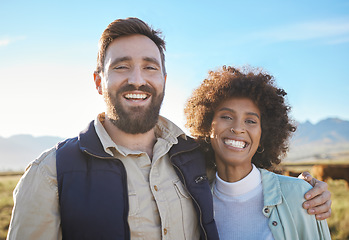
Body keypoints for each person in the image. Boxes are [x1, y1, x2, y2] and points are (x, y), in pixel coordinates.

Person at [7, 18, 330, 240]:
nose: (137, 79)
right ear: (98, 80)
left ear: (163, 80)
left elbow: (243, 173)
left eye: (150, 67)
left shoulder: (191, 157)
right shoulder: (50, 173)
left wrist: (310, 190)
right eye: (121, 67)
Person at [184, 65, 331, 239]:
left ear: (263, 134)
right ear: (208, 125)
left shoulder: (302, 196)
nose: (238, 128)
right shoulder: (191, 203)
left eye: (250, 121)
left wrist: (300, 188)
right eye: (226, 117)